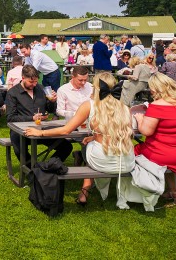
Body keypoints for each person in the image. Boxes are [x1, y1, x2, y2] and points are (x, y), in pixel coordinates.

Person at [25, 72, 134, 205]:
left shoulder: (90, 105)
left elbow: (66, 130)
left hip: (102, 161)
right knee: (90, 144)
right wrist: (94, 137)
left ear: (96, 87)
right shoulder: (124, 107)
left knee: (87, 146)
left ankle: (84, 191)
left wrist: (40, 133)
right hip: (127, 161)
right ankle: (85, 188)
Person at [6, 65, 72, 164]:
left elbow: (50, 110)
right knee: (19, 147)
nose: (34, 84)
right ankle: (32, 171)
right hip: (21, 130)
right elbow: (10, 118)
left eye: (36, 81)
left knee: (66, 146)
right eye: (31, 82)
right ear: (23, 78)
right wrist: (31, 118)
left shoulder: (41, 88)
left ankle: (49, 167)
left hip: (42, 128)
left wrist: (52, 101)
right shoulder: (13, 93)